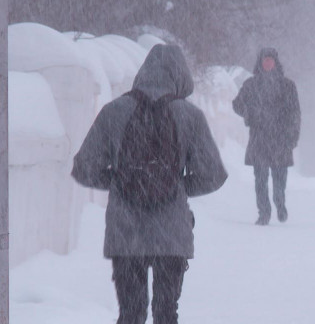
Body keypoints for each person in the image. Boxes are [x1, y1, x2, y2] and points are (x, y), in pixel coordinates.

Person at [71, 44, 227, 324]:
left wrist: (120, 181)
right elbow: (213, 175)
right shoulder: (190, 116)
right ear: (180, 77)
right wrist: (177, 186)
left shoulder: (114, 111)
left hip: (125, 232)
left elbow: (84, 169)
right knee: (166, 314)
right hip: (171, 234)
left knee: (131, 314)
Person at [232, 48, 301, 226]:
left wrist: (292, 137)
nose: (267, 63)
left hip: (281, 139)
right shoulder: (251, 85)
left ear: (276, 62)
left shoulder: (287, 86)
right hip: (259, 139)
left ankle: (280, 203)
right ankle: (264, 213)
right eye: (265, 59)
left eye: (270, 59)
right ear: (260, 62)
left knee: (279, 179)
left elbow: (295, 114)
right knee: (260, 179)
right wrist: (249, 113)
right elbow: (237, 104)